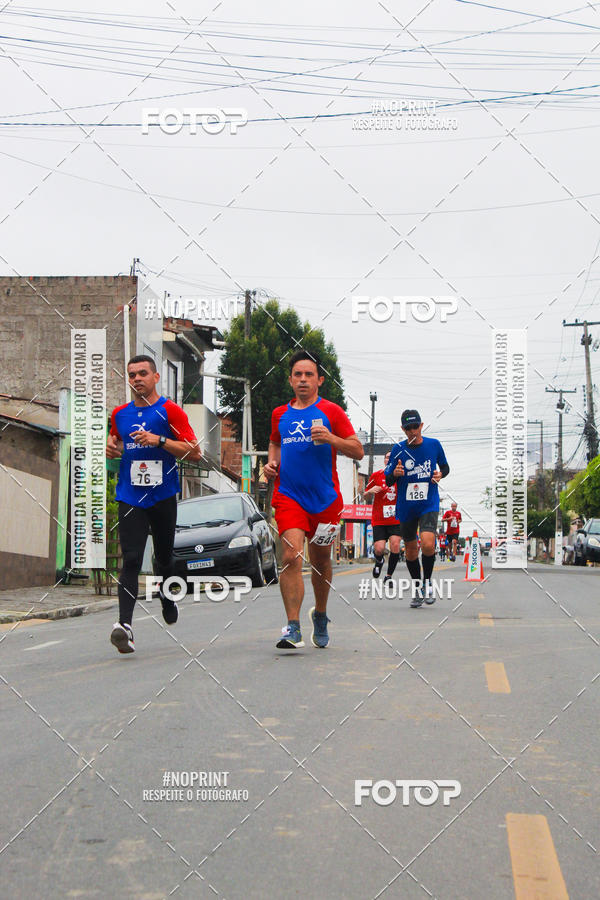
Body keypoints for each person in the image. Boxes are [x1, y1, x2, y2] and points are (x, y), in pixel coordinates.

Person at [264, 350, 364, 649]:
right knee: (290, 557)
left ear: (319, 379)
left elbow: (357, 450)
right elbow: (274, 441)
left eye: (309, 375)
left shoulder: (331, 411)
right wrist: (271, 463)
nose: (303, 380)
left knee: (321, 561)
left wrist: (331, 438)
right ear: (291, 380)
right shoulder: (279, 414)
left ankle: (320, 614)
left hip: (325, 500)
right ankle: (292, 627)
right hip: (289, 496)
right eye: (298, 374)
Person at [106, 355, 201, 653]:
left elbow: (194, 452)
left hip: (162, 495)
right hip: (130, 494)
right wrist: (112, 448)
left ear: (156, 377)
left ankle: (167, 596)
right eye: (132, 374)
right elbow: (116, 443)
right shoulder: (120, 414)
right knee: (132, 558)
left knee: (163, 558)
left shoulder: (169, 411)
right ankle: (125, 627)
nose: (137, 379)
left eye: (143, 373)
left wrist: (158, 441)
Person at [385, 410, 449, 608]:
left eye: (415, 426)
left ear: (421, 426)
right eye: (408, 428)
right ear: (403, 430)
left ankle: (428, 582)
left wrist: (440, 475)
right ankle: (418, 587)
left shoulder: (433, 445)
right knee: (411, 551)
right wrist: (395, 473)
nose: (412, 431)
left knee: (428, 544)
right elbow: (388, 479)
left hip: (428, 503)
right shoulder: (398, 449)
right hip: (406, 506)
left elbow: (445, 468)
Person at [364, 451, 402, 584]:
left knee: (395, 545)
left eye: (392, 457)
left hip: (396, 519)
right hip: (379, 519)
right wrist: (369, 492)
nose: (389, 459)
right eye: (387, 457)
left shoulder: (401, 476)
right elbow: (365, 495)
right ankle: (379, 560)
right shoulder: (376, 475)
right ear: (384, 460)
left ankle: (389, 575)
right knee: (379, 548)